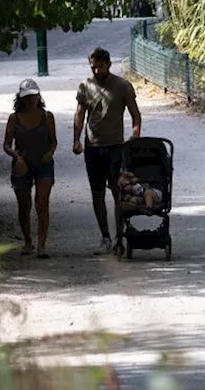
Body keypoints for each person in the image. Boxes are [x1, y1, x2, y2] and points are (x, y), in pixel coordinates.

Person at [72, 46, 141, 255]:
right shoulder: (85, 87)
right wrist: (76, 140)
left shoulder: (122, 86)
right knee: (97, 193)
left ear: (109, 65)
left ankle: (120, 235)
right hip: (92, 146)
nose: (96, 71)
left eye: (100, 67)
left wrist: (135, 134)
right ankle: (105, 237)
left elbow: (135, 115)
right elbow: (79, 114)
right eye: (93, 67)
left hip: (116, 147)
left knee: (118, 191)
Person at [2, 78, 57, 258]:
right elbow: (7, 144)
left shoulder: (47, 116)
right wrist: (15, 156)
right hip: (22, 164)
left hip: (43, 164)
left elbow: (53, 141)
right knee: (24, 205)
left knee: (42, 203)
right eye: (27, 97)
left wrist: (50, 153)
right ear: (20, 98)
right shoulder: (14, 118)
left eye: (33, 96)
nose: (30, 100)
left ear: (38, 96)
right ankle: (28, 242)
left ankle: (42, 245)